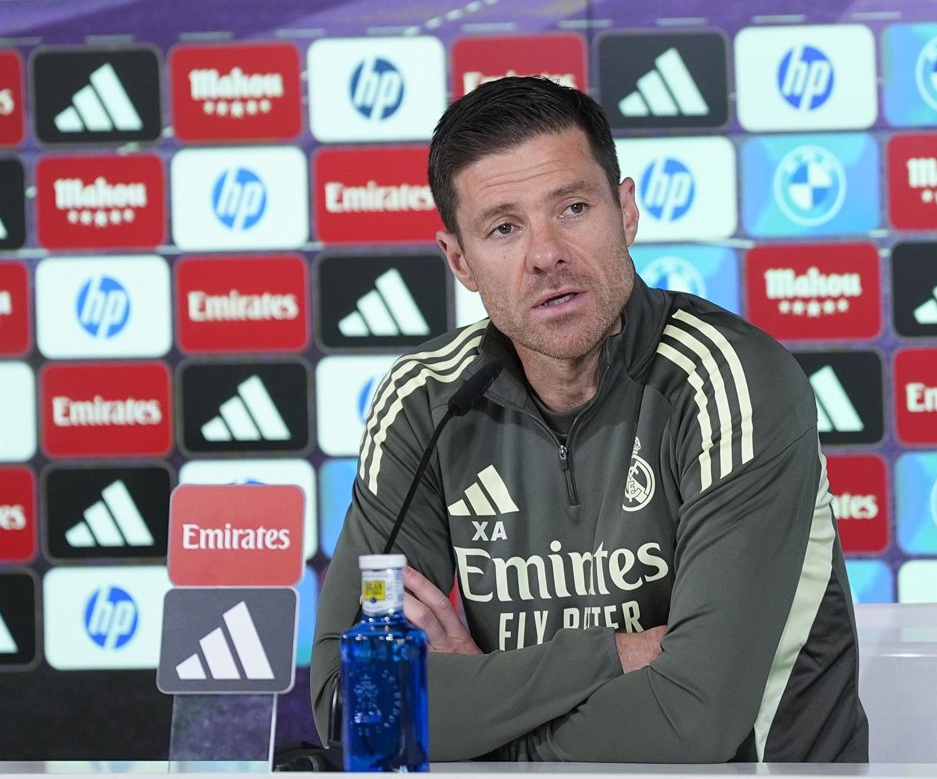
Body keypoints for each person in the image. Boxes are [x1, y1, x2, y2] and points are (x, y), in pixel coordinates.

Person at [311, 75, 868, 763]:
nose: (546, 254)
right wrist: (614, 654)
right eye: (504, 228)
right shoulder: (427, 400)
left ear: (626, 211)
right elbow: (347, 703)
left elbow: (692, 723)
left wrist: (472, 712)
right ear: (460, 260)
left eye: (573, 208)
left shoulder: (728, 379)